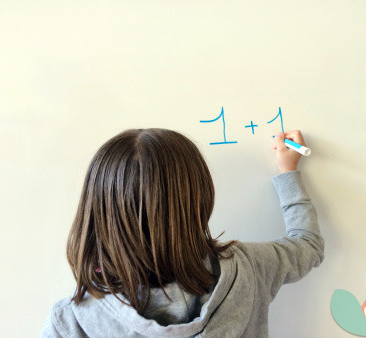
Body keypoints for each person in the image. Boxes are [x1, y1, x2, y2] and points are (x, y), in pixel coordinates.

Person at [40, 128, 325, 337]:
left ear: (97, 212)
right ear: (200, 197)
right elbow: (308, 244)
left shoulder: (74, 320)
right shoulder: (249, 267)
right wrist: (288, 173)